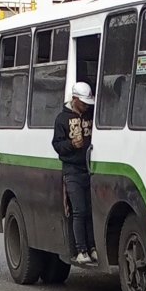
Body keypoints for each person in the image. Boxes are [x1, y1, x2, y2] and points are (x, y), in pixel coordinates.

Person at [52, 82, 97, 265]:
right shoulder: (62, 119)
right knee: (79, 210)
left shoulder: (90, 115)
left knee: (91, 211)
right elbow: (57, 145)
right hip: (72, 171)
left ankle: (93, 247)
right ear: (75, 99)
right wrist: (72, 145)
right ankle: (81, 250)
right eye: (84, 102)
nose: (86, 106)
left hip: (90, 168)